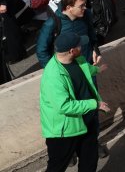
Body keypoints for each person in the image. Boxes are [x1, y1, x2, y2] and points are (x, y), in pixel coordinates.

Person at [40, 32, 111, 172]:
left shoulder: (78, 59)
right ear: (71, 51)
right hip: (65, 131)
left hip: (86, 120)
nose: (82, 47)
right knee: (57, 167)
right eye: (79, 45)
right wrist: (94, 104)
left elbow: (85, 69)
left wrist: (97, 70)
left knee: (90, 161)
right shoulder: (53, 76)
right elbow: (64, 106)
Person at [36, 0, 101, 68]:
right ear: (69, 7)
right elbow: (41, 51)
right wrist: (54, 70)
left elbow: (92, 36)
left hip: (88, 65)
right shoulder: (52, 23)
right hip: (68, 71)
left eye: (85, 4)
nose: (85, 8)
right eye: (81, 6)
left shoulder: (86, 14)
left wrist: (96, 51)